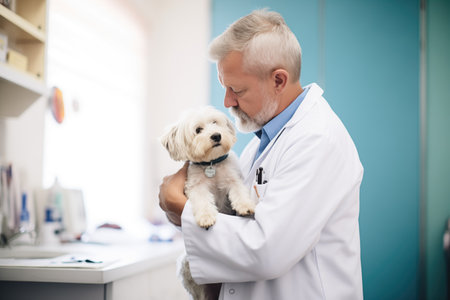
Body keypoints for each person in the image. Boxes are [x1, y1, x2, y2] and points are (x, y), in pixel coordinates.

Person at [159, 9, 364, 300]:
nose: (227, 101)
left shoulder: (317, 139)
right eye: (224, 87)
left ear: (278, 80)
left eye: (236, 89)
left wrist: (179, 207)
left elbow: (267, 250)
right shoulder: (260, 141)